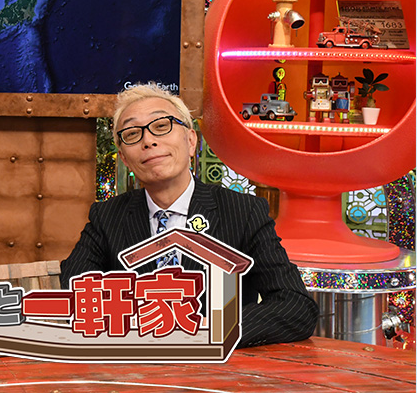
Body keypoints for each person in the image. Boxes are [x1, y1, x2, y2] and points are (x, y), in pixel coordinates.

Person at [60, 83, 317, 347]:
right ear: (124, 158)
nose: (148, 141)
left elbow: (296, 306)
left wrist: (209, 330)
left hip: (218, 365)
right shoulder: (107, 216)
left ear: (191, 141)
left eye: (162, 126)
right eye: (133, 133)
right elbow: (75, 290)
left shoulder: (243, 212)